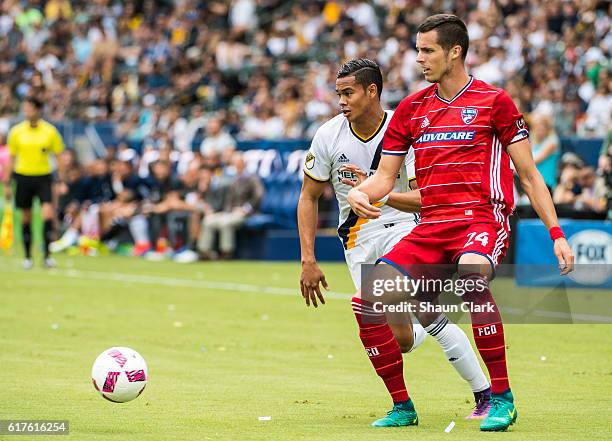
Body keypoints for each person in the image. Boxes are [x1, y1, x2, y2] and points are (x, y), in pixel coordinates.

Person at [347, 15, 574, 432]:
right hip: (431, 225)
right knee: (367, 299)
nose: (419, 59)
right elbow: (383, 176)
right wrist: (362, 193)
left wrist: (556, 233)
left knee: (472, 277)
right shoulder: (412, 109)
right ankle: (402, 406)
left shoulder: (495, 102)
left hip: (481, 217)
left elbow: (528, 174)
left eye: (427, 50)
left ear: (455, 51)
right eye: (417, 50)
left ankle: (501, 398)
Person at [297, 58, 492, 427]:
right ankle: (424, 363)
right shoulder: (327, 135)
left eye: (348, 92)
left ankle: (477, 396)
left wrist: (373, 191)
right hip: (357, 239)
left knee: (408, 305)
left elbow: (426, 199)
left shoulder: (406, 131)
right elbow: (309, 197)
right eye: (338, 93)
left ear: (373, 91)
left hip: (407, 228)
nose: (341, 101)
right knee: (400, 339)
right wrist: (308, 258)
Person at [3, 97, 65, 268]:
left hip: (44, 177)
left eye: (29, 108)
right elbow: (11, 159)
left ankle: (46, 255)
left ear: (38, 110)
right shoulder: (16, 132)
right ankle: (28, 257)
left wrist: (60, 180)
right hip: (23, 177)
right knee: (25, 217)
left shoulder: (50, 131)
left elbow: (59, 157)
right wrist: (7, 183)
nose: (26, 112)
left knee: (47, 215)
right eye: (25, 108)